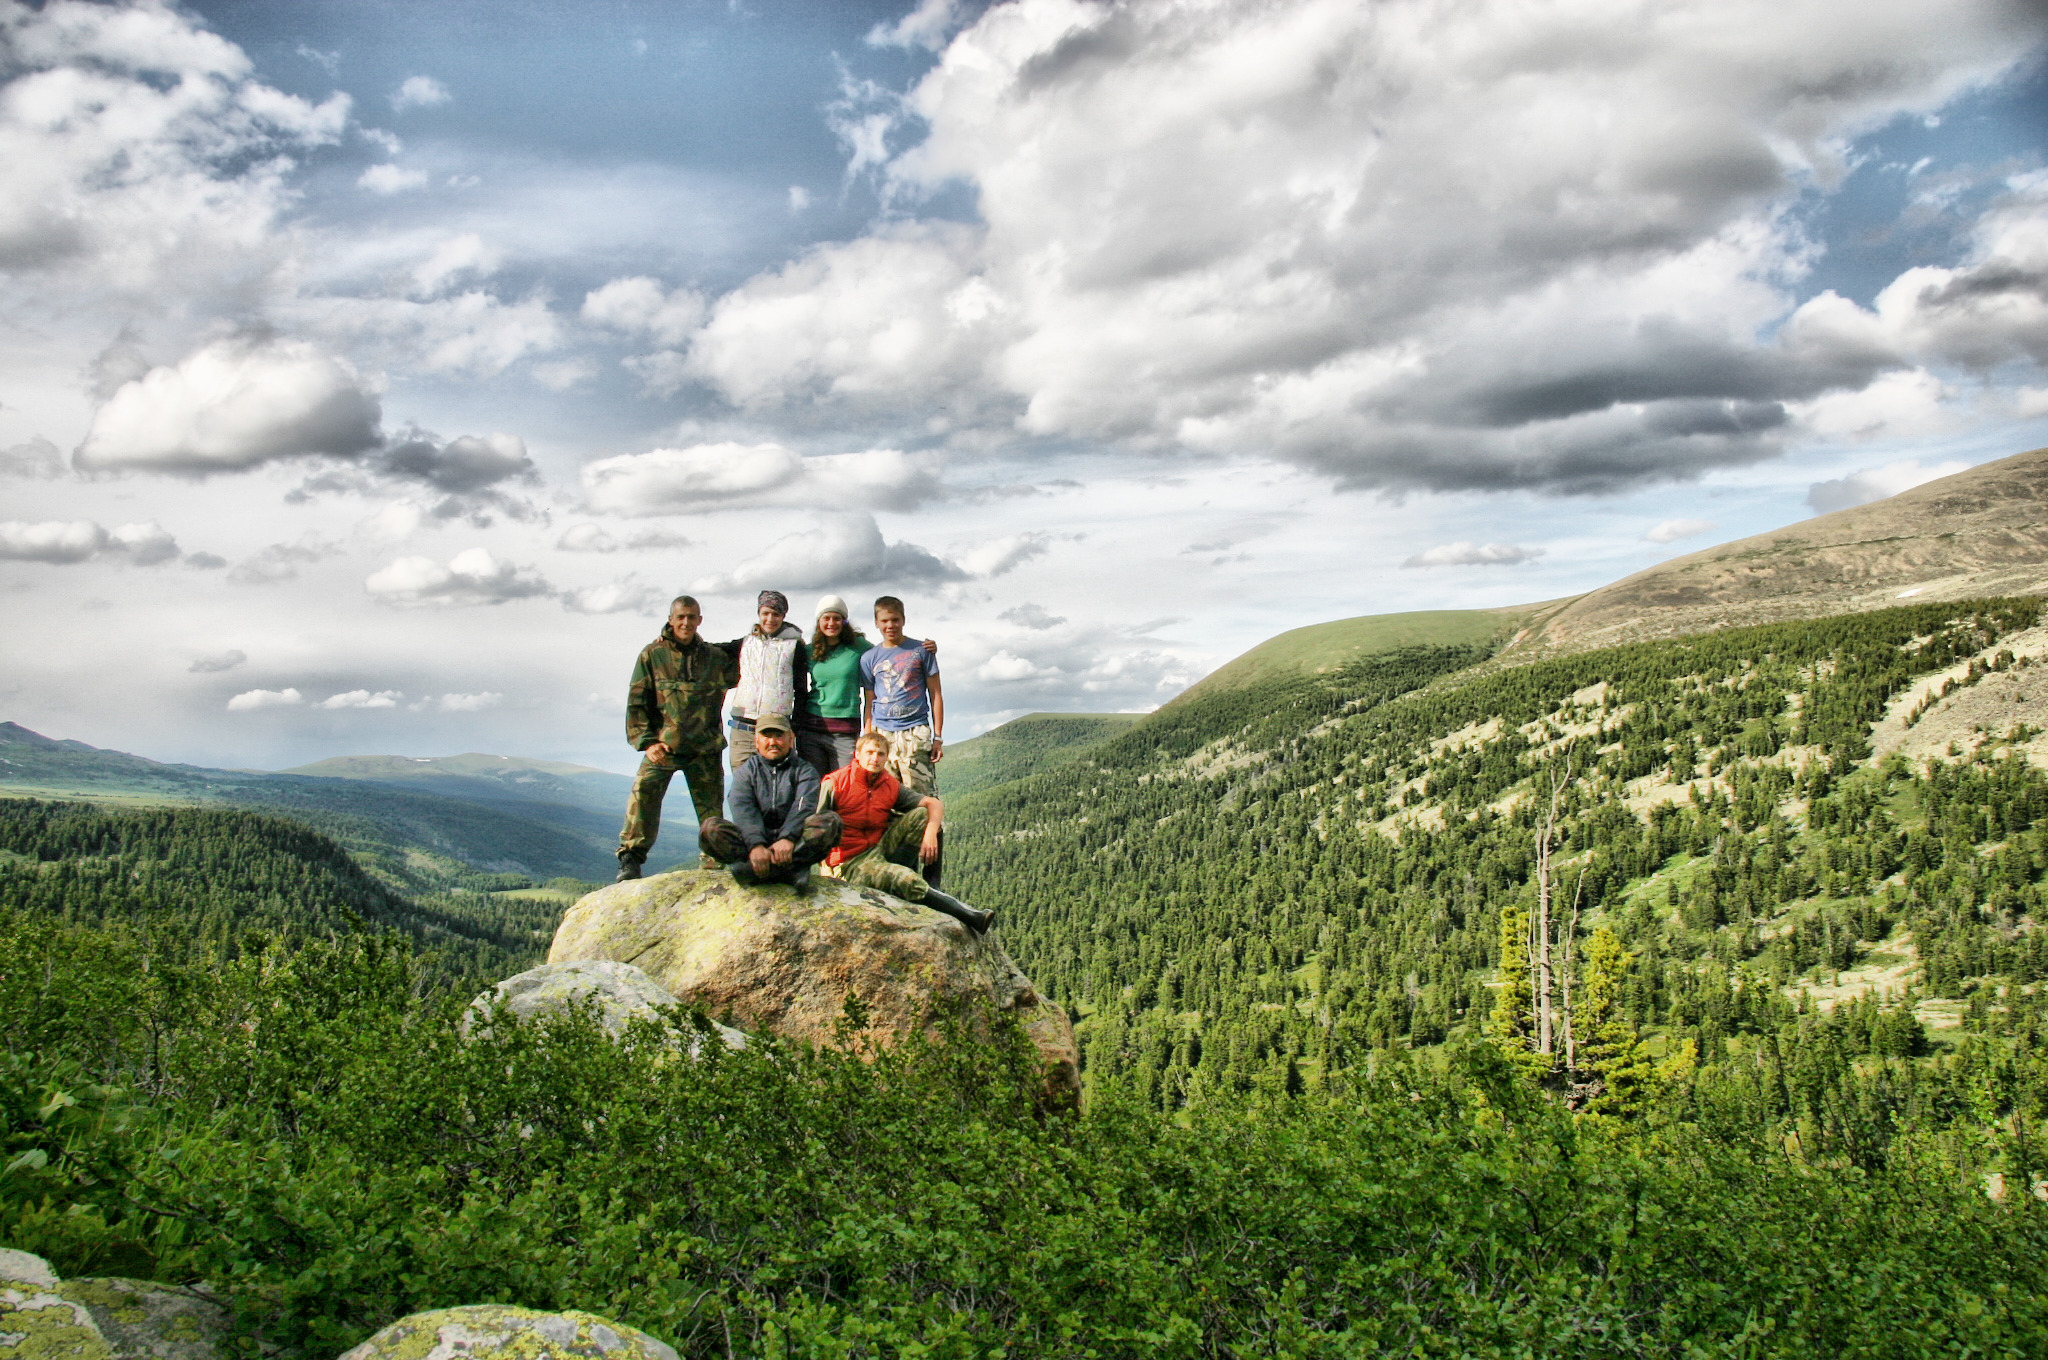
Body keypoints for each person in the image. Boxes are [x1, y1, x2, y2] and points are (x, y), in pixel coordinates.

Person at [818, 730, 992, 934]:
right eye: (870, 752)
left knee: (923, 815)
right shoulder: (836, 783)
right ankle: (971, 917)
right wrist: (826, 867)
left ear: (886, 757)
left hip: (878, 847)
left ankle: (920, 882)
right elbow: (817, 826)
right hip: (850, 861)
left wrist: (930, 834)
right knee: (906, 880)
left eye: (881, 754)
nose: (875, 758)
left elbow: (933, 804)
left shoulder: (888, 784)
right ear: (857, 754)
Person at [617, 595, 737, 882]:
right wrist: (647, 742)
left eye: (692, 617)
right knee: (643, 794)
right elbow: (637, 701)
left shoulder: (714, 657)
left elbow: (749, 655)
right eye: (681, 617)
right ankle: (631, 858)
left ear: (699, 620)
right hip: (664, 747)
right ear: (671, 619)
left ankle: (714, 866)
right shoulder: (652, 655)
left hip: (704, 749)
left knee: (711, 812)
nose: (686, 622)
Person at [698, 713, 842, 890]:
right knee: (710, 829)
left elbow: (804, 806)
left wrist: (788, 838)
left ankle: (757, 870)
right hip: (754, 843)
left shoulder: (805, 771)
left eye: (779, 735)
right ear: (757, 741)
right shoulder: (747, 771)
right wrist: (755, 845)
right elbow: (742, 808)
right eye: (767, 736)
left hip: (793, 843)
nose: (773, 742)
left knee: (830, 822)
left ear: (791, 738)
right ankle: (782, 869)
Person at [718, 590, 811, 772]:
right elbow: (710, 651)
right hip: (743, 729)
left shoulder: (794, 647)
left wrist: (794, 728)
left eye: (776, 614)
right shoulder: (745, 643)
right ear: (759, 614)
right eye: (765, 613)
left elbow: (801, 691)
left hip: (776, 729)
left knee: (776, 789)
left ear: (783, 616)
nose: (770, 619)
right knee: (743, 787)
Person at [860, 595, 944, 796]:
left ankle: (929, 828)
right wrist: (867, 735)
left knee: (921, 794)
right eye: (884, 621)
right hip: (882, 731)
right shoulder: (869, 658)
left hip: (915, 730)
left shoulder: (922, 651)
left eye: (895, 620)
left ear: (903, 620)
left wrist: (938, 736)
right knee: (884, 793)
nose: (890, 625)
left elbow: (936, 694)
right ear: (876, 623)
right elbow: (869, 700)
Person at [797, 594, 871, 776]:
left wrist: (921, 649)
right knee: (815, 789)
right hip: (811, 729)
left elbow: (887, 652)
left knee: (844, 786)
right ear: (819, 621)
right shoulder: (809, 650)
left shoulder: (858, 646)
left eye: (837, 618)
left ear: (844, 621)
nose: (831, 623)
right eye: (826, 618)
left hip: (845, 731)